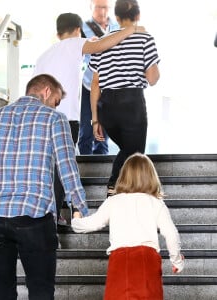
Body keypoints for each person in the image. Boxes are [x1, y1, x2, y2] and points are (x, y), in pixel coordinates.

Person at [0, 74, 89, 300]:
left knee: (4, 294)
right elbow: (67, 168)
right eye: (55, 100)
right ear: (46, 91)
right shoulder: (54, 119)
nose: (55, 106)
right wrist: (79, 208)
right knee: (41, 293)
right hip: (35, 219)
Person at [33, 12, 145, 224]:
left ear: (58, 33)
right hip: (65, 119)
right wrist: (130, 30)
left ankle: (56, 211)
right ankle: (54, 216)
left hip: (41, 118)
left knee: (49, 166)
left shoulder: (43, 56)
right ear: (78, 30)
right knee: (61, 167)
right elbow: (101, 45)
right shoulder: (74, 43)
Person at [71, 152, 185, 300]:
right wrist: (177, 261)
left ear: (124, 176)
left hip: (119, 261)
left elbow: (91, 224)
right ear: (151, 177)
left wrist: (76, 219)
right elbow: (171, 234)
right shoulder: (156, 203)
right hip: (147, 260)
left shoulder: (113, 201)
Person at [89, 0, 160, 197]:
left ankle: (119, 190)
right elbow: (152, 79)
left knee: (128, 149)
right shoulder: (144, 38)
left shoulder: (102, 42)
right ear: (137, 16)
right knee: (136, 154)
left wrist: (95, 119)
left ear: (117, 17)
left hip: (106, 106)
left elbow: (95, 84)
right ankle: (114, 187)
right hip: (132, 103)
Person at [78, 0, 119, 155]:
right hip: (89, 84)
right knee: (86, 129)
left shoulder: (117, 27)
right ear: (91, 7)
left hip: (110, 85)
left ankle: (102, 167)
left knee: (105, 129)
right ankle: (84, 167)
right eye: (99, 7)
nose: (102, 11)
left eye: (106, 7)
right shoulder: (82, 27)